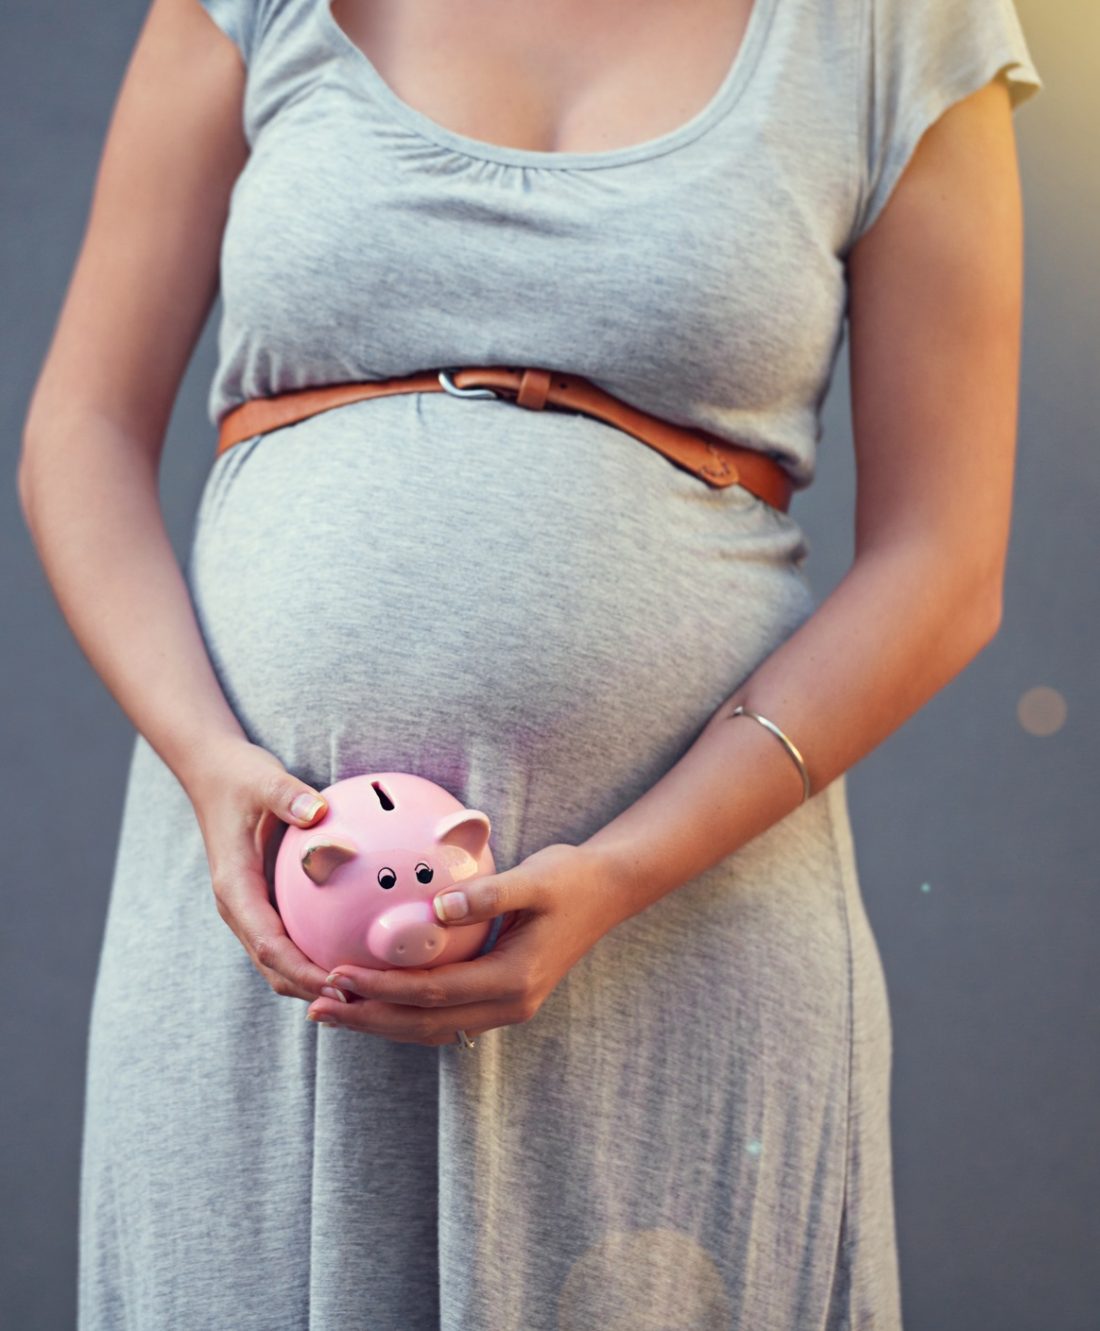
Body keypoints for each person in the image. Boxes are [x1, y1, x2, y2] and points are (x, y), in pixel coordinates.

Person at [17, 0, 1043, 1326]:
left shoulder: (901, 22)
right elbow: (79, 426)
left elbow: (946, 564)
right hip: (257, 928)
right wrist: (209, 761)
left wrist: (625, 873)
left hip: (686, 937)